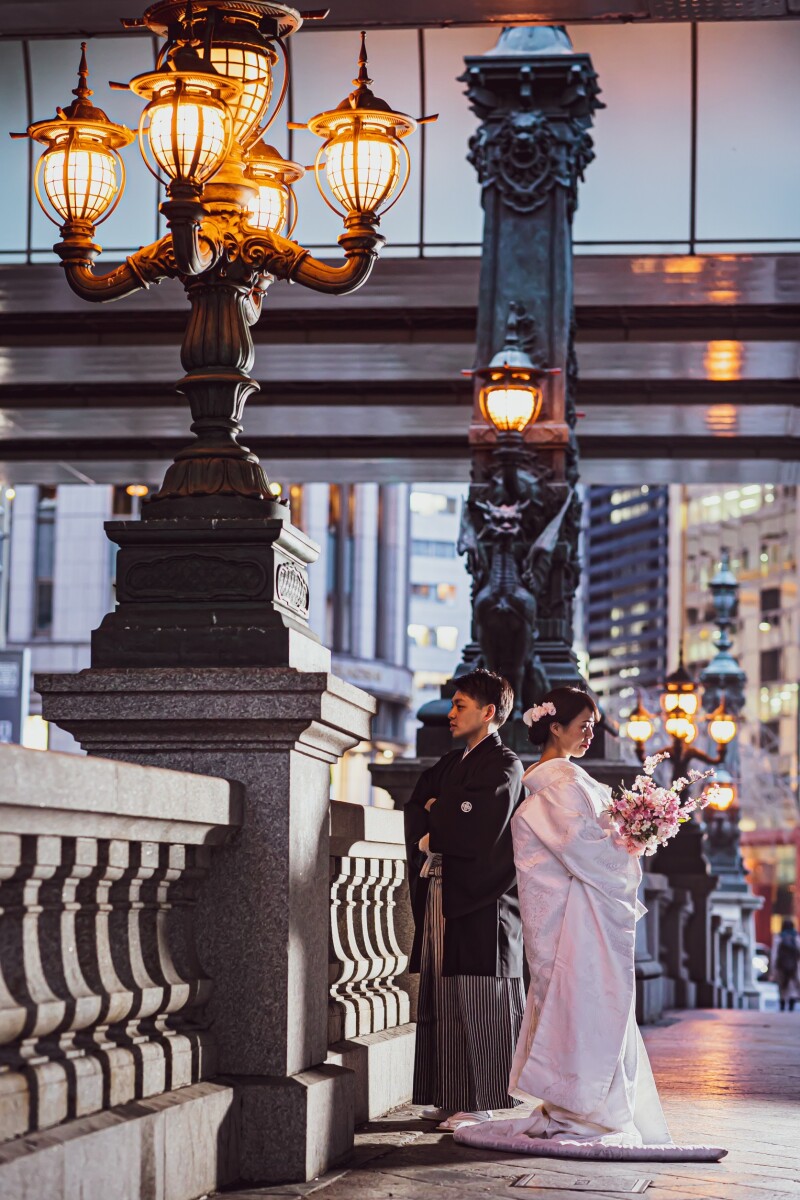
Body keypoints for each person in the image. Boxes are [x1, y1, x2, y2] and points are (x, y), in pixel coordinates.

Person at [454, 686, 726, 1162]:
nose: (590, 734)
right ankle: (580, 1109)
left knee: (576, 1007)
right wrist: (637, 840)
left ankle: (577, 1104)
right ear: (555, 728)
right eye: (584, 725)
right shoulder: (557, 786)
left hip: (570, 914)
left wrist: (638, 832)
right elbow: (589, 851)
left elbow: (594, 844)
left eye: (594, 726)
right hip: (573, 918)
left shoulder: (559, 782)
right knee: (583, 1006)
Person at [405, 667, 525, 1132]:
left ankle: (482, 1099)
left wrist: (443, 813)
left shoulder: (505, 764)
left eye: (460, 706)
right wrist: (438, 815)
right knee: (442, 993)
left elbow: (475, 827)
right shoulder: (454, 764)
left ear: (489, 712)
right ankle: (449, 1094)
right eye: (453, 705)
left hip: (485, 900)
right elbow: (420, 802)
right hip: (446, 889)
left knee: (481, 997)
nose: (451, 714)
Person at [771, 919, 800, 1012]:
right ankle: (791, 1004)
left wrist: (773, 968)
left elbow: (774, 954)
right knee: (792, 986)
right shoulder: (796, 937)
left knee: (782, 985)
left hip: (781, 966)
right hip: (794, 966)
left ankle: (782, 1003)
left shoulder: (778, 937)